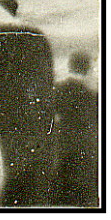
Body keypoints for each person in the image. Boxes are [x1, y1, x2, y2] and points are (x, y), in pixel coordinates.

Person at [52, 51, 98, 206]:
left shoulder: (56, 90)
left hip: (61, 148)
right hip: (87, 151)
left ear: (70, 66)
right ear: (88, 68)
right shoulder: (93, 95)